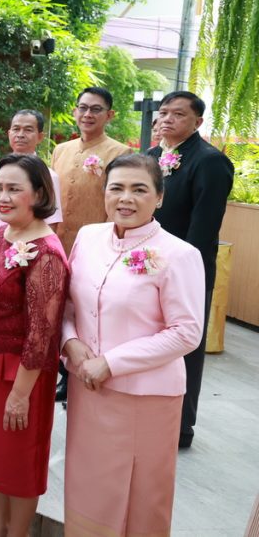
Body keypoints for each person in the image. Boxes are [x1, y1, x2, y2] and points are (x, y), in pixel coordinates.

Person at [62, 153, 204, 536]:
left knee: (140, 495)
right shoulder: (89, 237)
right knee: (88, 484)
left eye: (139, 189)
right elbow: (68, 303)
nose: (126, 198)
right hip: (87, 387)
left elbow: (186, 331)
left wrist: (111, 362)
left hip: (146, 399)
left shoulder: (179, 254)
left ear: (159, 197)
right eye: (117, 188)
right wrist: (70, 342)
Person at [0, 153, 70, 537]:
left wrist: (21, 394)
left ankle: (17, 532)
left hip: (22, 374)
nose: (2, 197)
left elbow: (42, 333)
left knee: (20, 463)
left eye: (13, 189)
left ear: (38, 193)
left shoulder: (47, 253)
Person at [146, 91, 233, 448]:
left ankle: (180, 426)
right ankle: (148, 414)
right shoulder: (151, 157)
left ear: (197, 122)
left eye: (178, 114)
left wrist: (177, 271)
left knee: (183, 350)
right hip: (144, 266)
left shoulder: (210, 161)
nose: (168, 119)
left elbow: (203, 228)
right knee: (149, 341)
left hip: (186, 272)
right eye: (164, 112)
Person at [51, 87, 132, 403]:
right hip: (58, 243)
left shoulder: (119, 153)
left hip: (95, 247)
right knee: (58, 308)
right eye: (82, 108)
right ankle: (61, 369)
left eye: (96, 109)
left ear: (109, 115)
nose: (88, 114)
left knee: (86, 309)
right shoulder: (61, 150)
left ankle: (81, 370)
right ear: (74, 111)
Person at [0, 110, 63, 235]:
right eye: (16, 129)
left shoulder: (48, 175)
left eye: (28, 130)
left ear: (40, 137)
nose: (20, 135)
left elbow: (52, 221)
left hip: (27, 242)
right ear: (9, 133)